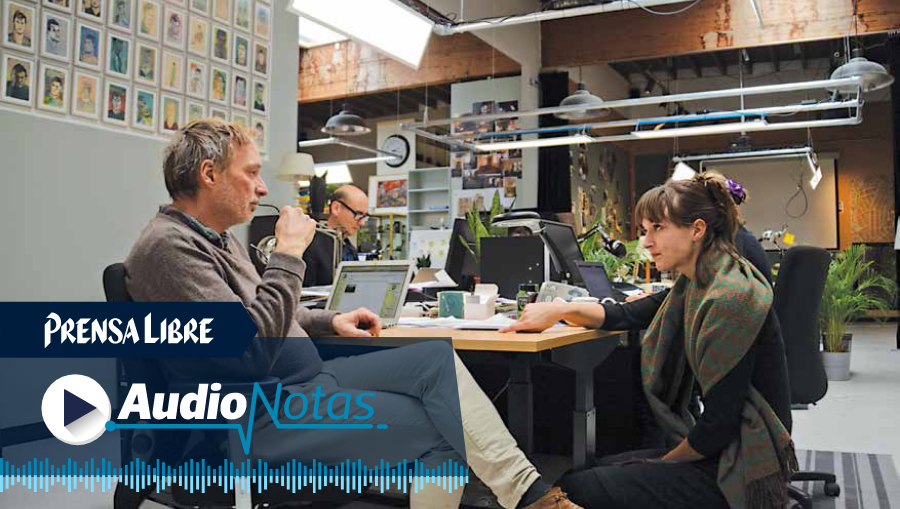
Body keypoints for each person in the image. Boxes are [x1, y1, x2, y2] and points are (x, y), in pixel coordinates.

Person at [125, 119, 582, 509]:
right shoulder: (169, 248)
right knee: (447, 428)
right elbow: (248, 350)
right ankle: (534, 498)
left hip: (302, 384)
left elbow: (262, 314)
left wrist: (328, 321)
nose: (262, 187)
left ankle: (529, 493)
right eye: (252, 173)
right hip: (261, 416)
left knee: (435, 358)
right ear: (209, 174)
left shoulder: (217, 237)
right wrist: (288, 253)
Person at [502, 173, 796, 509]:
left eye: (657, 228)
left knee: (574, 489)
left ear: (697, 230)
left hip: (743, 463)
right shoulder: (700, 283)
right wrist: (561, 309)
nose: (646, 242)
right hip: (726, 445)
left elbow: (718, 426)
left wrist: (660, 464)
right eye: (645, 230)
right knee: (587, 471)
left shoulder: (729, 298)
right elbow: (627, 314)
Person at [300, 185, 366, 287]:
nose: (362, 223)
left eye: (364, 217)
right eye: (358, 214)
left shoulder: (349, 248)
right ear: (336, 208)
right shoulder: (310, 245)